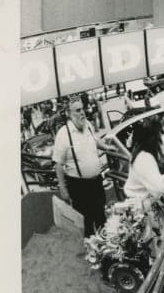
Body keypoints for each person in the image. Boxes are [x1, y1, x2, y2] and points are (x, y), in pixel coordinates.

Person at [52, 97, 129, 236]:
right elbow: (58, 164)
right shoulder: (63, 135)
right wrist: (63, 189)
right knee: (85, 221)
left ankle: (105, 248)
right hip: (79, 186)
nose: (83, 113)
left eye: (83, 109)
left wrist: (106, 147)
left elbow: (95, 140)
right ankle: (90, 250)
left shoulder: (87, 125)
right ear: (69, 113)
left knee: (101, 216)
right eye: (78, 110)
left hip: (96, 182)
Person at [123, 117, 164, 203]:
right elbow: (158, 188)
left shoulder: (140, 153)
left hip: (141, 200)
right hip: (141, 202)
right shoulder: (144, 158)